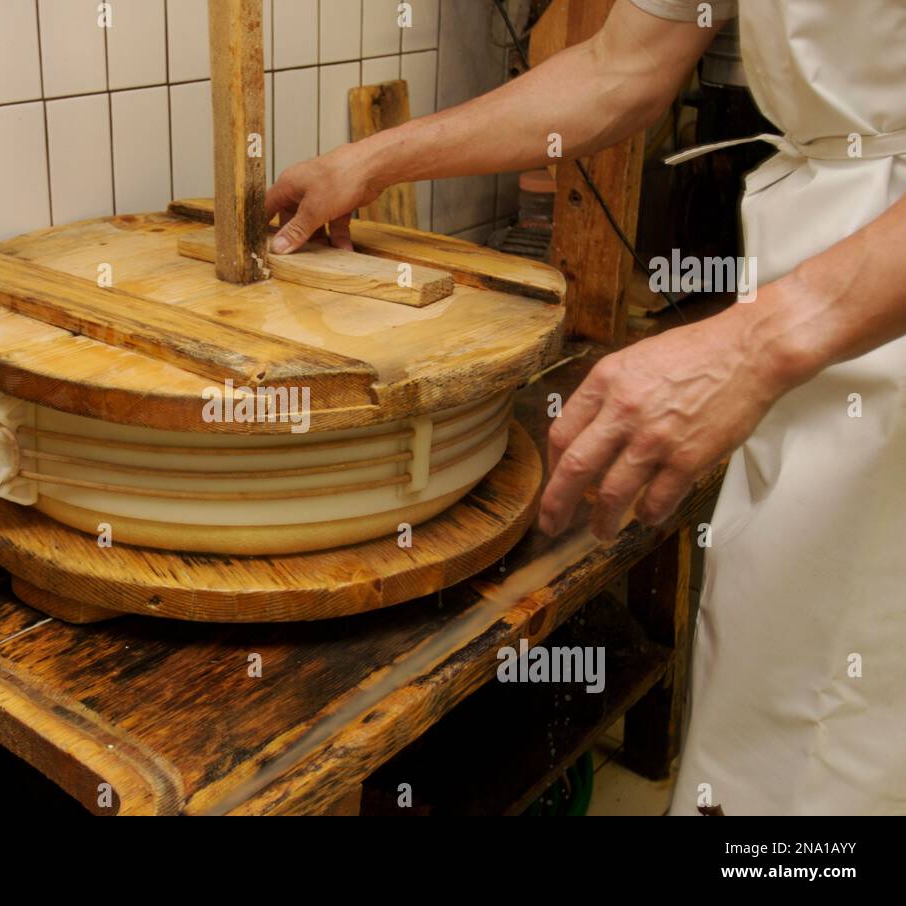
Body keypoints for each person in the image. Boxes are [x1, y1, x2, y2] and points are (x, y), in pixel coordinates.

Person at [265, 0, 906, 815]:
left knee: (863, 727)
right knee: (783, 690)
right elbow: (621, 69)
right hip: (811, 277)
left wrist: (752, 346)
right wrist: (374, 159)